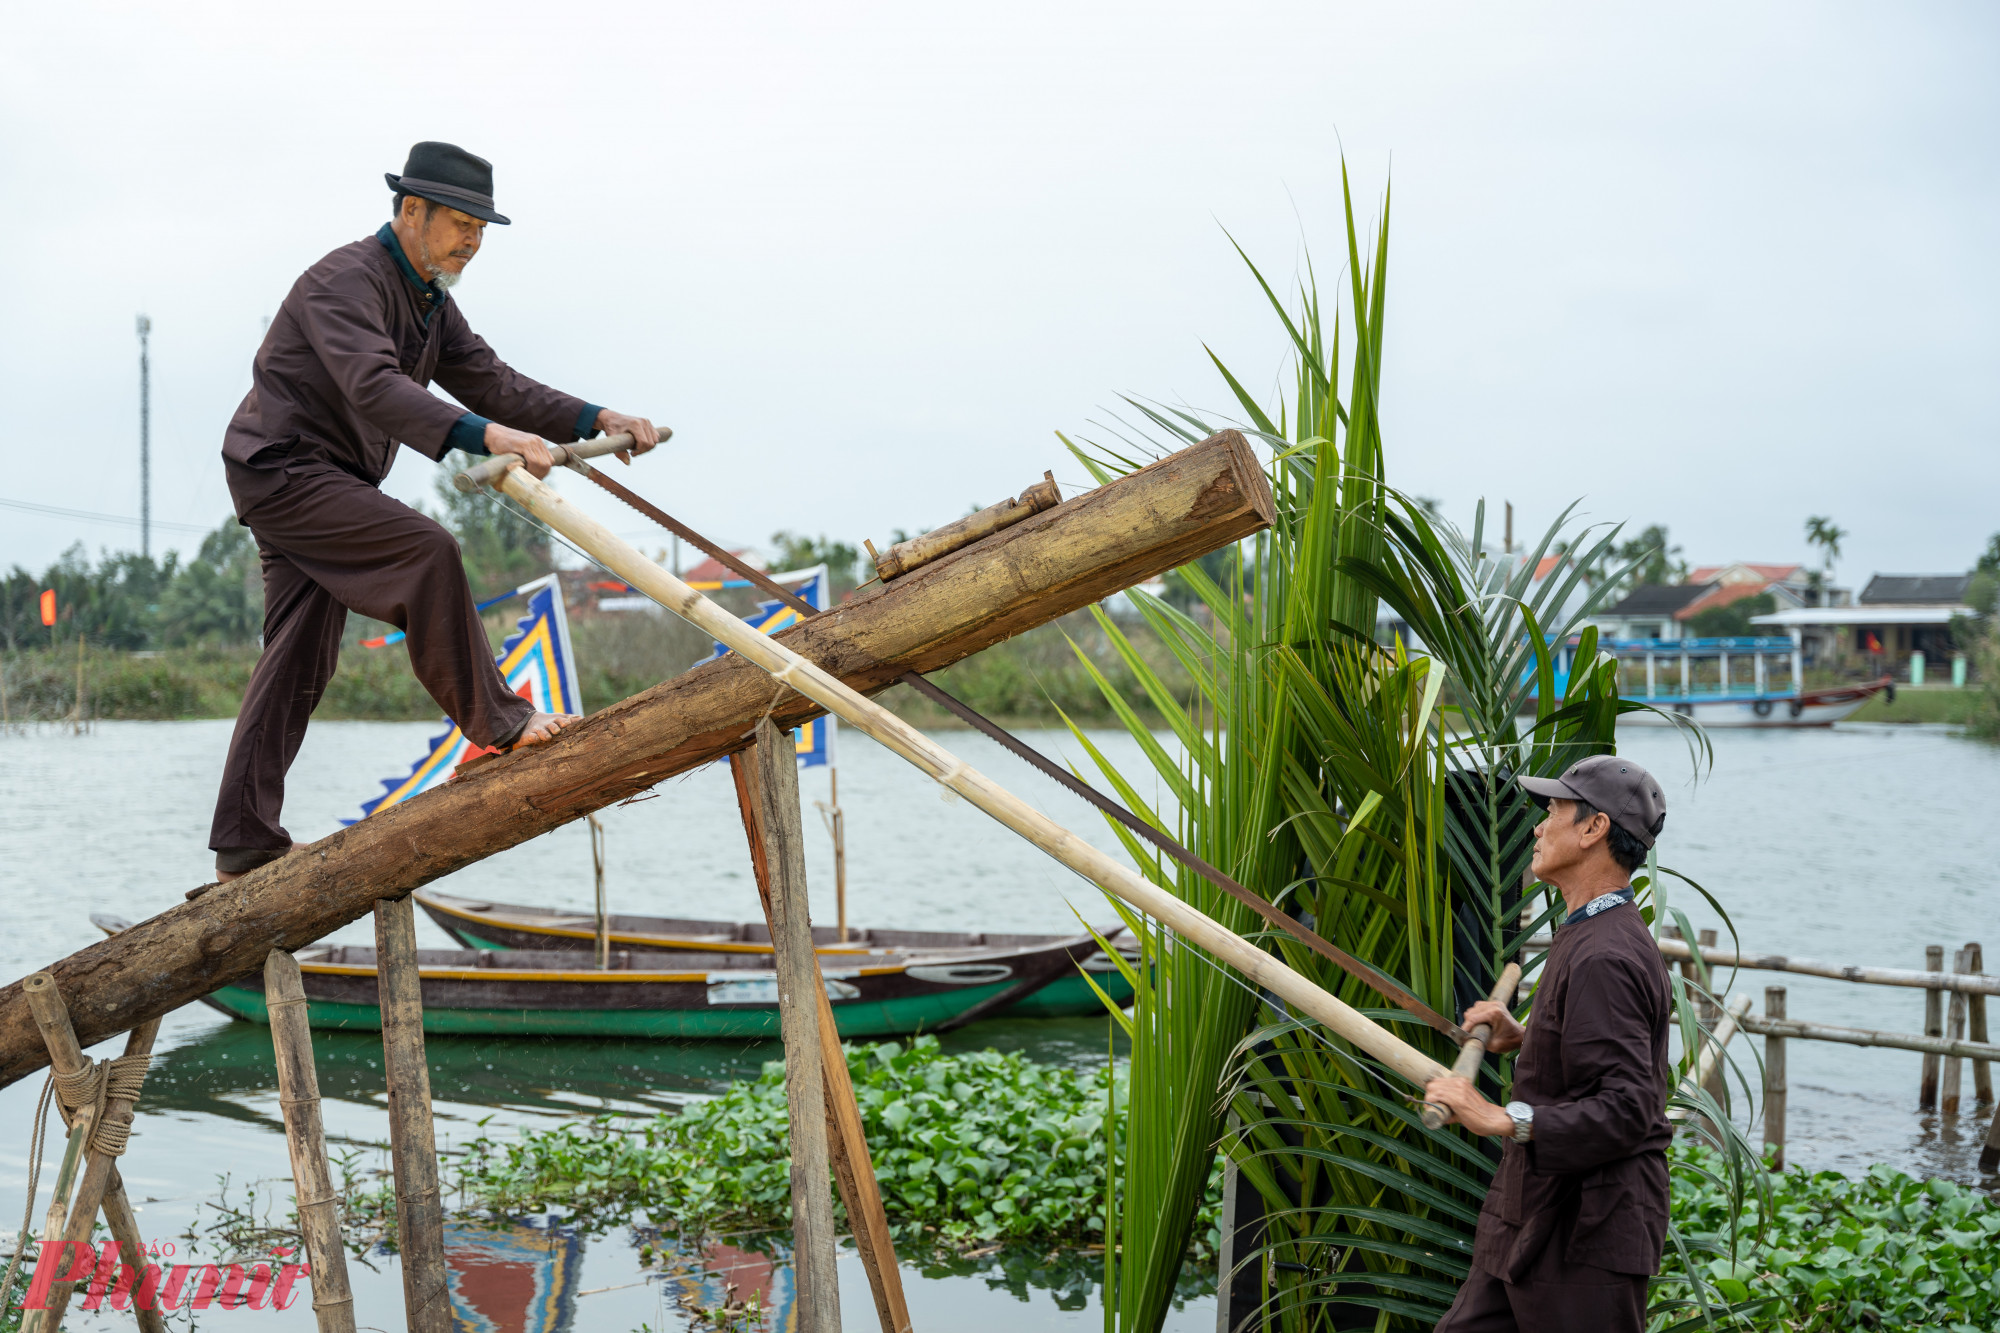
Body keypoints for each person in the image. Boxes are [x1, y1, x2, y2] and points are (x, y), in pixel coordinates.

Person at [207, 141, 660, 884]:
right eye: (460, 225)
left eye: (481, 231)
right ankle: (502, 722)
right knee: (427, 550)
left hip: (328, 479)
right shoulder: (343, 282)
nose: (472, 243)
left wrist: (594, 415)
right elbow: (375, 387)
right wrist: (485, 436)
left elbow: (494, 381)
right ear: (410, 211)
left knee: (298, 655)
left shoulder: (430, 300)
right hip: (284, 468)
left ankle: (243, 841)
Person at [1426, 755, 1673, 1333]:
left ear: (1594, 828)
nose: (1537, 827)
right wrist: (1527, 1039)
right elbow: (1594, 1056)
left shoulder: (1606, 954)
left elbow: (1628, 1108)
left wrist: (1498, 1117)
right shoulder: (1587, 929)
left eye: (1553, 812)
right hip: (1535, 1215)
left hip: (1586, 1231)